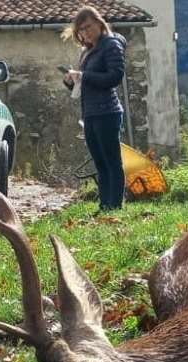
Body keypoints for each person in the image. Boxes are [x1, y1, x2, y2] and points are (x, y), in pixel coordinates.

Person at [62, 6, 127, 214]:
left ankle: (114, 206)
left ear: (100, 23)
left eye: (88, 27)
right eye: (81, 30)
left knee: (112, 162)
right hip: (90, 112)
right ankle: (105, 205)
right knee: (100, 162)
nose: (85, 33)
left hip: (107, 111)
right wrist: (71, 81)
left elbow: (115, 76)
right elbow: (85, 84)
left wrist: (84, 76)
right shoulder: (88, 51)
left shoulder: (111, 44)